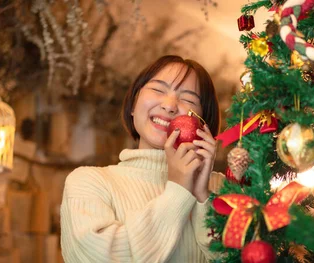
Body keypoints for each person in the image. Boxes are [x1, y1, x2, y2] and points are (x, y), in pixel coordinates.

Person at [60, 55, 224, 262]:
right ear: (133, 105)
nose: (170, 105)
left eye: (189, 100)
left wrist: (202, 196)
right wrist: (178, 190)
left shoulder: (221, 188)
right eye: (158, 89)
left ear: (203, 122)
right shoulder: (88, 182)